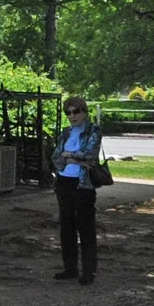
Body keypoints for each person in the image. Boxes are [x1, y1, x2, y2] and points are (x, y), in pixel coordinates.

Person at [53, 96, 102, 284]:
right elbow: (56, 155)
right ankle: (70, 267)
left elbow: (90, 155)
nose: (72, 116)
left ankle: (89, 270)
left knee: (86, 226)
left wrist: (70, 156)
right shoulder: (66, 132)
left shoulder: (93, 130)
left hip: (83, 184)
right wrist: (71, 158)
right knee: (66, 226)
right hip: (64, 181)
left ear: (84, 112)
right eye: (68, 113)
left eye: (76, 112)